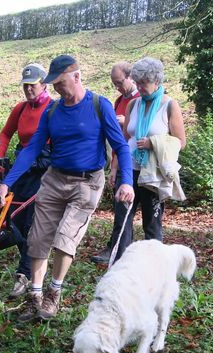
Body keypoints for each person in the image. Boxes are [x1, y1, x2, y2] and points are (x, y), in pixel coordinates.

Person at [0, 55, 135, 322]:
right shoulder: (53, 111)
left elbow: (120, 147)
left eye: (60, 82)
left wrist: (126, 180)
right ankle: (35, 296)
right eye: (54, 84)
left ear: (77, 77)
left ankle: (53, 293)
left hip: (87, 182)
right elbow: (32, 148)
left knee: (65, 238)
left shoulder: (99, 105)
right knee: (37, 238)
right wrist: (6, 183)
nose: (57, 88)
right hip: (54, 179)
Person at [106, 57, 186, 263]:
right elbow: (123, 141)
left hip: (152, 175)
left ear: (157, 81)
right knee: (122, 220)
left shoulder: (169, 105)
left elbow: (180, 142)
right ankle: (120, 263)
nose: (139, 87)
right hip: (129, 171)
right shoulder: (133, 105)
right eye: (137, 82)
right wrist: (114, 168)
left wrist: (154, 143)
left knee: (152, 223)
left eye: (144, 83)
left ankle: (156, 267)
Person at [0, 63, 53, 299]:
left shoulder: (53, 108)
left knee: (31, 223)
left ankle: (24, 274)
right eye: (25, 86)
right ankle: (29, 263)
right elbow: (6, 133)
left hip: (45, 167)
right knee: (12, 217)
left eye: (33, 85)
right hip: (23, 163)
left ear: (44, 85)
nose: (29, 90)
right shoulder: (20, 109)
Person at [91, 61, 140, 264]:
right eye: (114, 84)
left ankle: (127, 254)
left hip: (140, 164)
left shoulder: (140, 100)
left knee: (137, 213)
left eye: (119, 82)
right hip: (121, 162)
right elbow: (116, 140)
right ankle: (117, 250)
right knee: (121, 210)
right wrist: (113, 168)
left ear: (131, 77)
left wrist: (125, 121)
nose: (117, 87)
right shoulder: (118, 101)